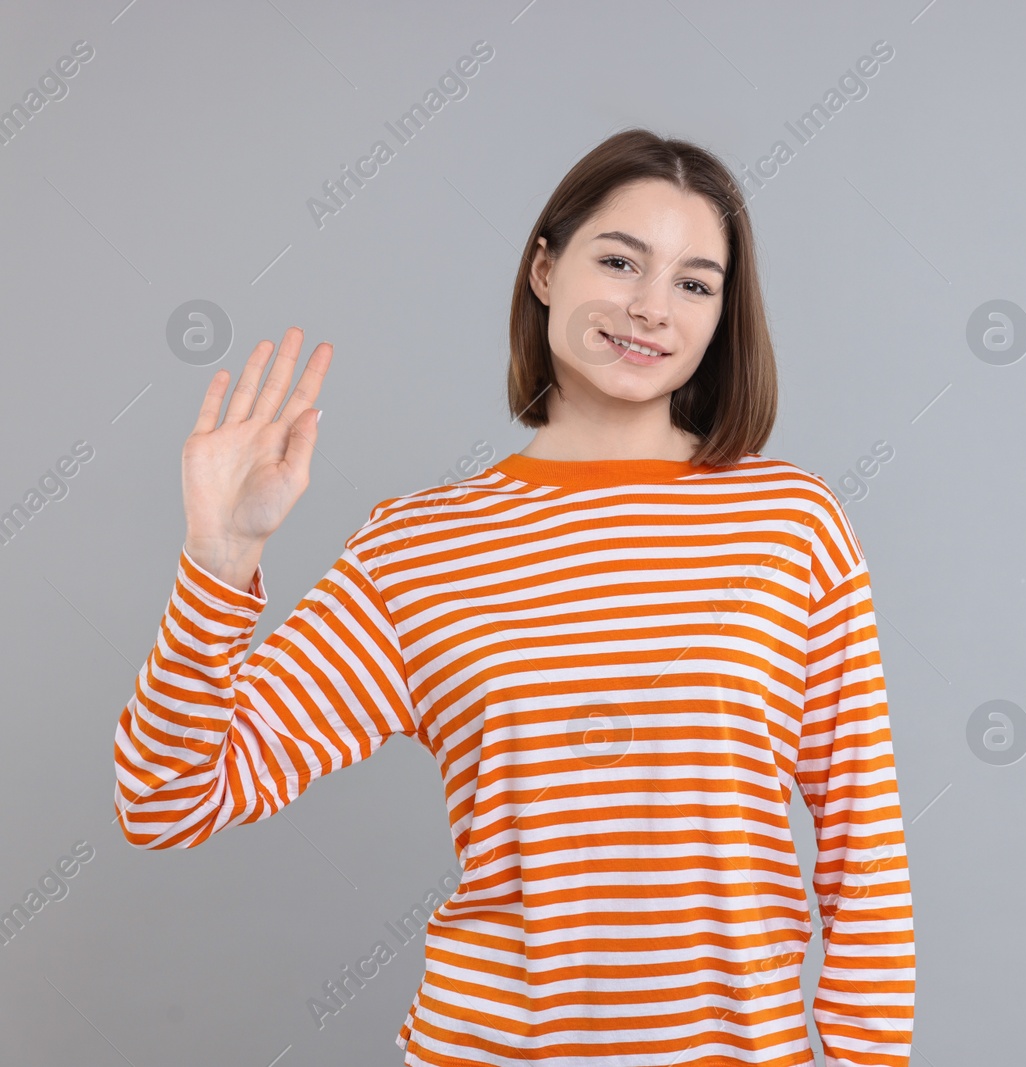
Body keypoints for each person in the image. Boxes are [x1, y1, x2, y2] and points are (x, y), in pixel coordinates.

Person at [111, 128, 915, 1066]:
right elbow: (166, 801)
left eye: (695, 283)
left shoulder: (790, 524)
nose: (652, 308)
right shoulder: (418, 549)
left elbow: (864, 845)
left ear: (721, 315)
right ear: (545, 270)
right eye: (621, 261)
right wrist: (221, 558)